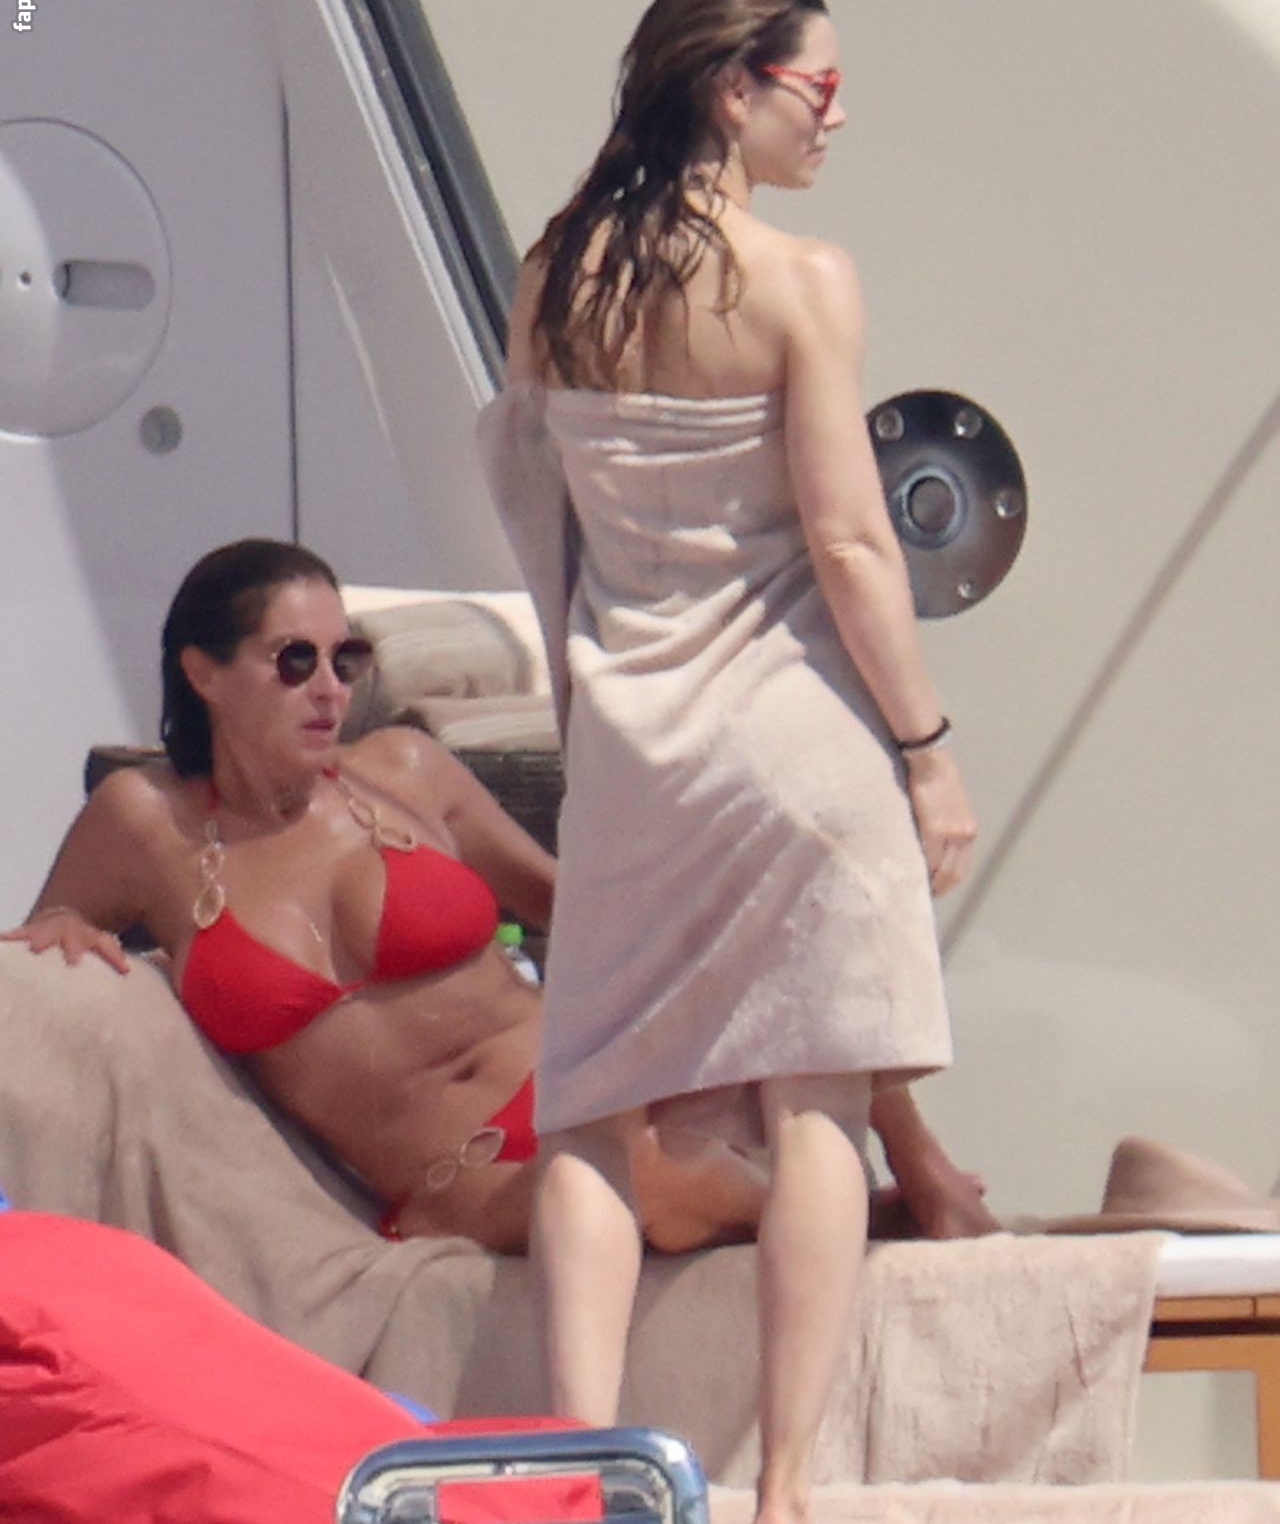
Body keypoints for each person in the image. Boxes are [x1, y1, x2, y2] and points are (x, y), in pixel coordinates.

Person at [478, 0, 979, 1524]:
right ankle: (783, 1503)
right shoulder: (800, 281)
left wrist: (586, 702)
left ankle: (585, 1484)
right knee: (816, 1094)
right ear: (731, 85)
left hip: (633, 737)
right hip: (797, 734)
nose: (838, 115)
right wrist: (927, 750)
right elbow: (851, 540)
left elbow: (533, 511)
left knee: (589, 1104)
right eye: (817, 87)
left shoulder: (554, 275)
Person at [2, 537, 984, 1263]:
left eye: (345, 660)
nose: (329, 689)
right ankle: (878, 1222)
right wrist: (63, 925)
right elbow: (46, 928)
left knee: (766, 960)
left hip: (586, 1086)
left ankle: (921, 1175)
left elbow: (589, 914)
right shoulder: (145, 825)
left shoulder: (402, 771)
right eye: (293, 660)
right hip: (463, 1177)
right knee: (645, 1184)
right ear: (204, 672)